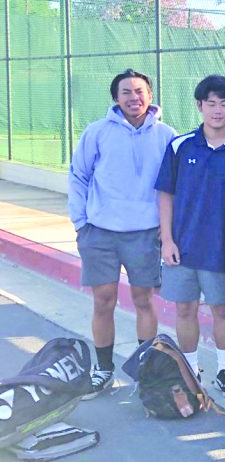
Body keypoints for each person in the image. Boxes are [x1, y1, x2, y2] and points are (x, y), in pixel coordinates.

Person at [68, 68, 176, 397]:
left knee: (144, 300)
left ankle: (145, 372)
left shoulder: (166, 135)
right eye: (126, 92)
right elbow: (78, 175)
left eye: (140, 91)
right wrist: (81, 223)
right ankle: (103, 370)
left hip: (145, 234)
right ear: (116, 98)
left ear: (150, 96)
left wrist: (167, 231)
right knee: (103, 301)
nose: (134, 97)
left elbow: (173, 187)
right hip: (100, 233)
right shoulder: (97, 132)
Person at [155, 75, 225, 397]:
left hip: (221, 250)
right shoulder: (180, 146)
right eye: (211, 103)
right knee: (185, 309)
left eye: (224, 103)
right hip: (183, 248)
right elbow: (165, 195)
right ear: (199, 106)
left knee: (222, 310)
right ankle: (190, 370)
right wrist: (167, 240)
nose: (218, 110)